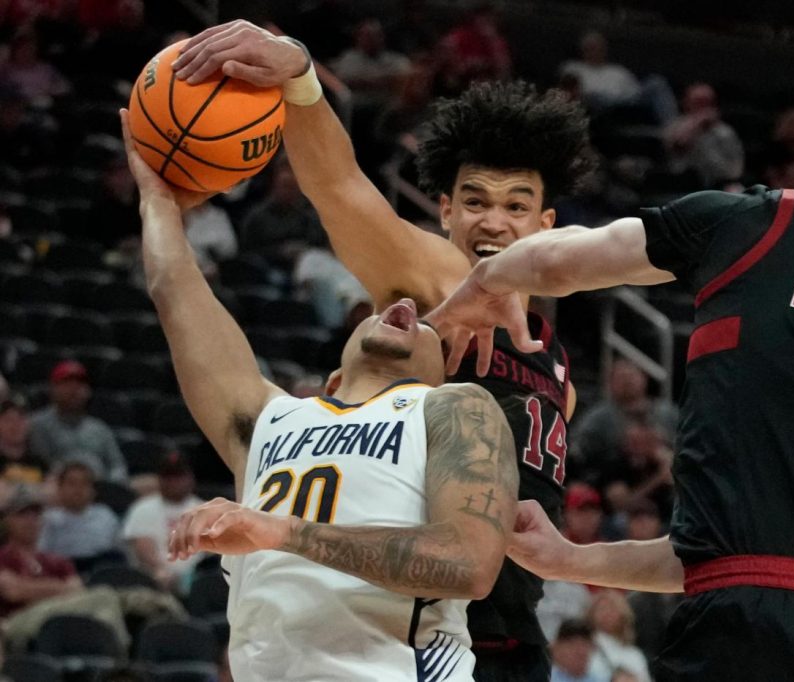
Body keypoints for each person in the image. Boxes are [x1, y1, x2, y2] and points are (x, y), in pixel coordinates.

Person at [427, 26, 794, 681]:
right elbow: (747, 558)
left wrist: (485, 282)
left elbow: (563, 261)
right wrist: (570, 560)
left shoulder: (761, 226)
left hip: (752, 636)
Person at [172, 23, 596, 681]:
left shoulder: (559, 365)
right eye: (476, 202)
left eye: (517, 205)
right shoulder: (434, 281)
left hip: (514, 632)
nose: (494, 221)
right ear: (446, 211)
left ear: (546, 225)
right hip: (410, 622)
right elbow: (339, 188)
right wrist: (300, 81)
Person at [119, 110, 517, 681]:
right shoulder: (271, 420)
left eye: (427, 324)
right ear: (332, 377)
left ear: (442, 373)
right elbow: (174, 291)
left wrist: (281, 531)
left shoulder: (452, 408)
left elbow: (470, 562)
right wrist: (157, 200)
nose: (403, 308)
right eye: (382, 309)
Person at [28, 360, 128, 483]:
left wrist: (113, 484)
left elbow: (117, 465)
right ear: (53, 389)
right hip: (58, 488)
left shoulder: (99, 428)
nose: (74, 390)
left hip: (99, 487)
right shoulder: (38, 424)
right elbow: (41, 465)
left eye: (79, 384)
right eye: (67, 384)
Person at [122, 453, 204, 592]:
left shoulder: (205, 509)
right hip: (154, 578)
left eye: (178, 476)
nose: (173, 482)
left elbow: (213, 553)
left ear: (190, 478)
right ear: (159, 479)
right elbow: (143, 547)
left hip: (196, 578)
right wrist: (160, 570)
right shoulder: (142, 508)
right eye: (168, 477)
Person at [0, 492, 81, 618]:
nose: (30, 521)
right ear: (7, 520)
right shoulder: (3, 557)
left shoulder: (57, 560)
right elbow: (13, 591)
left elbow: (77, 590)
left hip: (59, 617)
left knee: (103, 596)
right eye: (22, 515)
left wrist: (30, 590)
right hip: (18, 621)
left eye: (36, 515)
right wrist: (58, 586)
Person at [39, 461, 122, 573]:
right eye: (72, 483)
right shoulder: (48, 519)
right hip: (63, 572)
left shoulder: (106, 516)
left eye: (85, 484)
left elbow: (119, 553)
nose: (78, 489)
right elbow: (41, 555)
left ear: (93, 490)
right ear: (60, 488)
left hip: (99, 571)